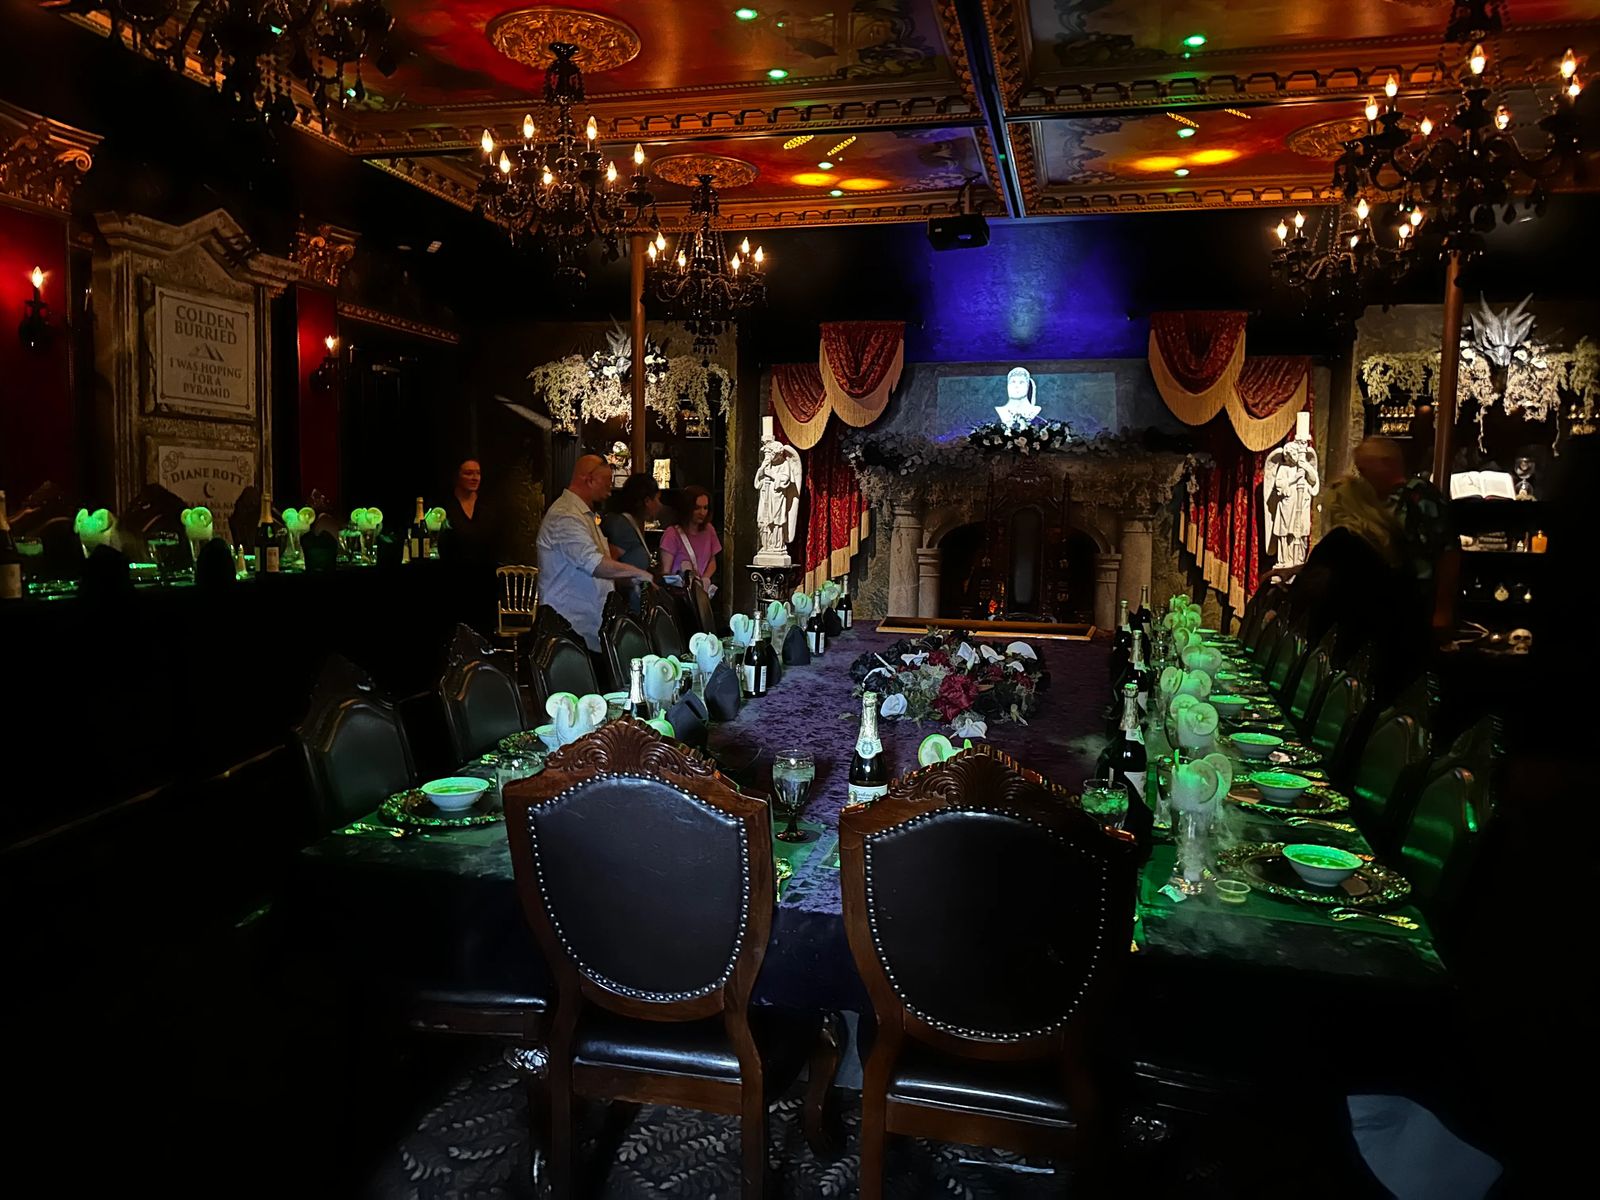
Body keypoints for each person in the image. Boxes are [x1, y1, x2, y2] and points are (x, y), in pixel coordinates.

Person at [536, 455, 653, 652]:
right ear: (588, 479)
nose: (609, 491)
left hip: (588, 627)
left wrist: (628, 580)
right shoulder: (565, 515)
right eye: (607, 481)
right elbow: (595, 564)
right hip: (569, 629)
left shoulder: (585, 515)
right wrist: (637, 572)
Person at [602, 474, 661, 613]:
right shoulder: (621, 526)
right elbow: (609, 565)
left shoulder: (628, 524)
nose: (659, 505)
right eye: (657, 499)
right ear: (647, 501)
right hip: (626, 607)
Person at [659, 483, 721, 596]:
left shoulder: (709, 530)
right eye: (697, 508)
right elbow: (666, 572)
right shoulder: (672, 534)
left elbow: (712, 561)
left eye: (705, 507)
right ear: (687, 508)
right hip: (679, 594)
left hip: (701, 592)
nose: (702, 512)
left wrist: (705, 579)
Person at [439, 458, 498, 570]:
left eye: (478, 473)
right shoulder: (444, 507)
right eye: (468, 473)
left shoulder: (488, 506)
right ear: (457, 476)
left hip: (485, 574)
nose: (475, 478)